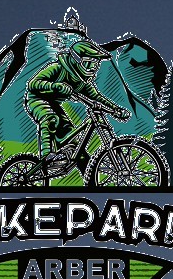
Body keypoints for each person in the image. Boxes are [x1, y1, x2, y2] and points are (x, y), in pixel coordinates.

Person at [21, 12, 122, 177]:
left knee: (72, 139)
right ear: (76, 59)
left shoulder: (81, 81)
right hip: (36, 99)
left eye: (95, 66)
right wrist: (57, 86)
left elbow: (96, 96)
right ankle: (47, 155)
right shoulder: (58, 68)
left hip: (53, 103)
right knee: (50, 119)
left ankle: (89, 178)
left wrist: (115, 109)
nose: (91, 69)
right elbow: (33, 84)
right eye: (88, 63)